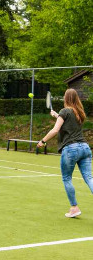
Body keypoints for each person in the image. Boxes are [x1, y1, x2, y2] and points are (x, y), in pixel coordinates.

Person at [37, 89, 92, 218]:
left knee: (67, 178)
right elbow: (69, 123)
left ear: (66, 98)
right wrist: (57, 115)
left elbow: (56, 130)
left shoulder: (65, 111)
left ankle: (74, 207)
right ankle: (73, 208)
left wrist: (43, 141)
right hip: (85, 148)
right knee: (89, 178)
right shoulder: (79, 112)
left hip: (71, 149)